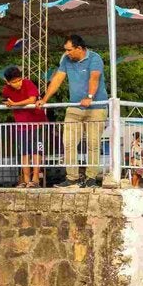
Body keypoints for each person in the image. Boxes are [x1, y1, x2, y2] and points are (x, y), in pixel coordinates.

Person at [36, 34, 108, 188]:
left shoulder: (95, 58)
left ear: (79, 48)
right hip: (74, 107)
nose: (67, 53)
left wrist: (89, 96)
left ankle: (91, 178)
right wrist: (44, 99)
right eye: (66, 50)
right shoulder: (66, 60)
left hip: (96, 108)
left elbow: (94, 78)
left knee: (93, 144)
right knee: (68, 142)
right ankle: (72, 178)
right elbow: (57, 80)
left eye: (69, 50)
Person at [0, 66, 46, 188]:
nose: (18, 83)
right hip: (21, 125)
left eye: (19, 80)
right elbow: (5, 101)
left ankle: (35, 180)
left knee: (37, 151)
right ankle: (26, 181)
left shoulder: (28, 83)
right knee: (24, 153)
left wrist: (15, 104)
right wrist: (8, 103)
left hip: (37, 123)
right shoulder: (6, 90)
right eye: (14, 82)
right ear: (7, 82)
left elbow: (32, 99)